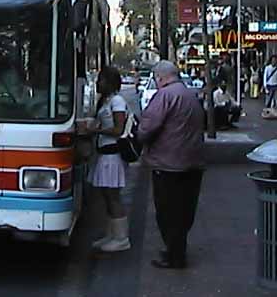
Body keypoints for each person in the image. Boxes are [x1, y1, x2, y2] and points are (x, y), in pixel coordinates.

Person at [138, 60, 205, 269]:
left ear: (160, 77)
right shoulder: (190, 95)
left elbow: (147, 127)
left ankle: (174, 255)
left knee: (168, 212)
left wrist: (139, 137)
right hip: (192, 162)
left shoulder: (165, 96)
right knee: (185, 211)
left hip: (168, 164)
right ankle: (177, 249)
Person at [85, 66, 131, 253]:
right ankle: (112, 234)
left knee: (113, 196)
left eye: (101, 80)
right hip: (104, 153)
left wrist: (96, 130)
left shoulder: (117, 101)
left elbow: (118, 130)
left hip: (112, 155)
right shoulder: (106, 101)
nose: (97, 83)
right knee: (106, 195)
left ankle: (121, 238)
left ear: (110, 82)